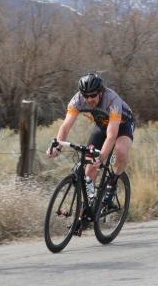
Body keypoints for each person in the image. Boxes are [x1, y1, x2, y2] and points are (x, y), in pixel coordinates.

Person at [47, 72, 135, 211]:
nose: (89, 99)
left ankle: (112, 184)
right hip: (101, 126)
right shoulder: (77, 100)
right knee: (89, 170)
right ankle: (89, 206)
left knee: (120, 151)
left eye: (93, 95)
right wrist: (58, 146)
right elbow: (65, 126)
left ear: (100, 92)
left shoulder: (112, 100)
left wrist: (101, 157)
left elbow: (112, 136)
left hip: (123, 125)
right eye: (86, 95)